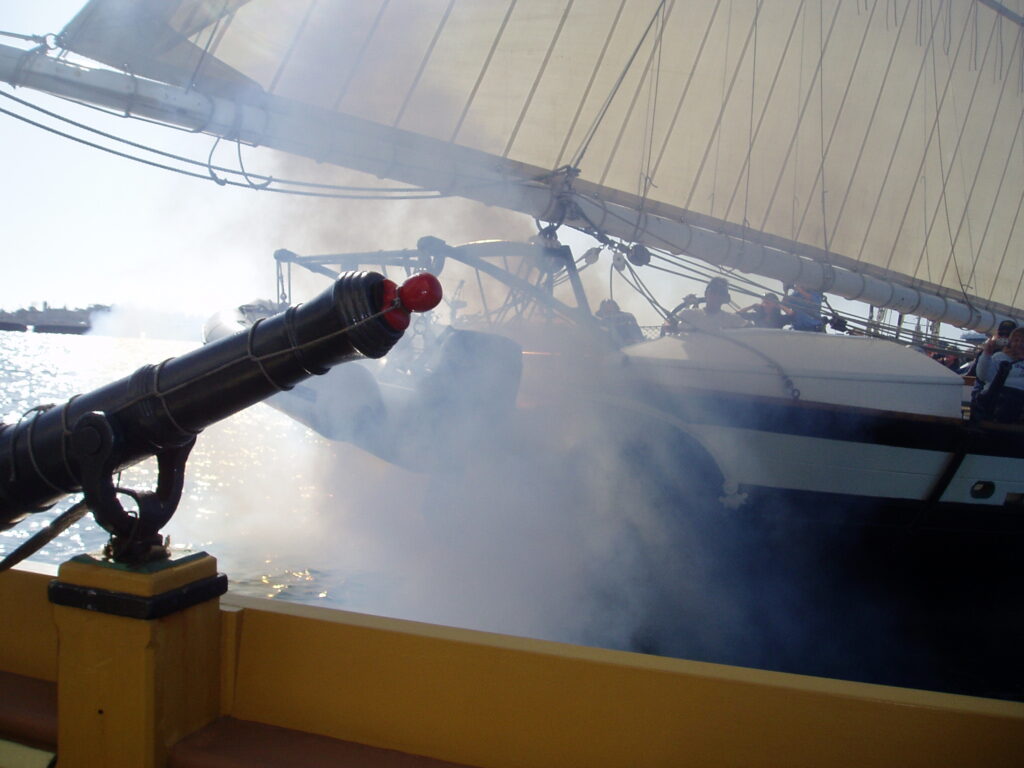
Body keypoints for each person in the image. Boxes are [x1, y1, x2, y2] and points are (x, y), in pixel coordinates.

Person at [975, 326, 1024, 423]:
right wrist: (986, 354)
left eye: (1023, 341)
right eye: (1016, 340)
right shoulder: (999, 357)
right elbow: (984, 376)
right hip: (997, 398)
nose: (1019, 344)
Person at [663, 277, 747, 333]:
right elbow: (667, 324)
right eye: (713, 291)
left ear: (725, 298)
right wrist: (672, 327)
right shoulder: (688, 314)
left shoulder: (733, 319)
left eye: (721, 293)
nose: (716, 295)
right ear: (706, 294)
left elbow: (752, 331)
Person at [968, 319, 1017, 412]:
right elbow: (977, 375)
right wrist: (987, 352)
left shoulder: (1019, 357)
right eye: (1001, 334)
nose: (1004, 338)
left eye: (1007, 335)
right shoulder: (987, 353)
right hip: (986, 397)